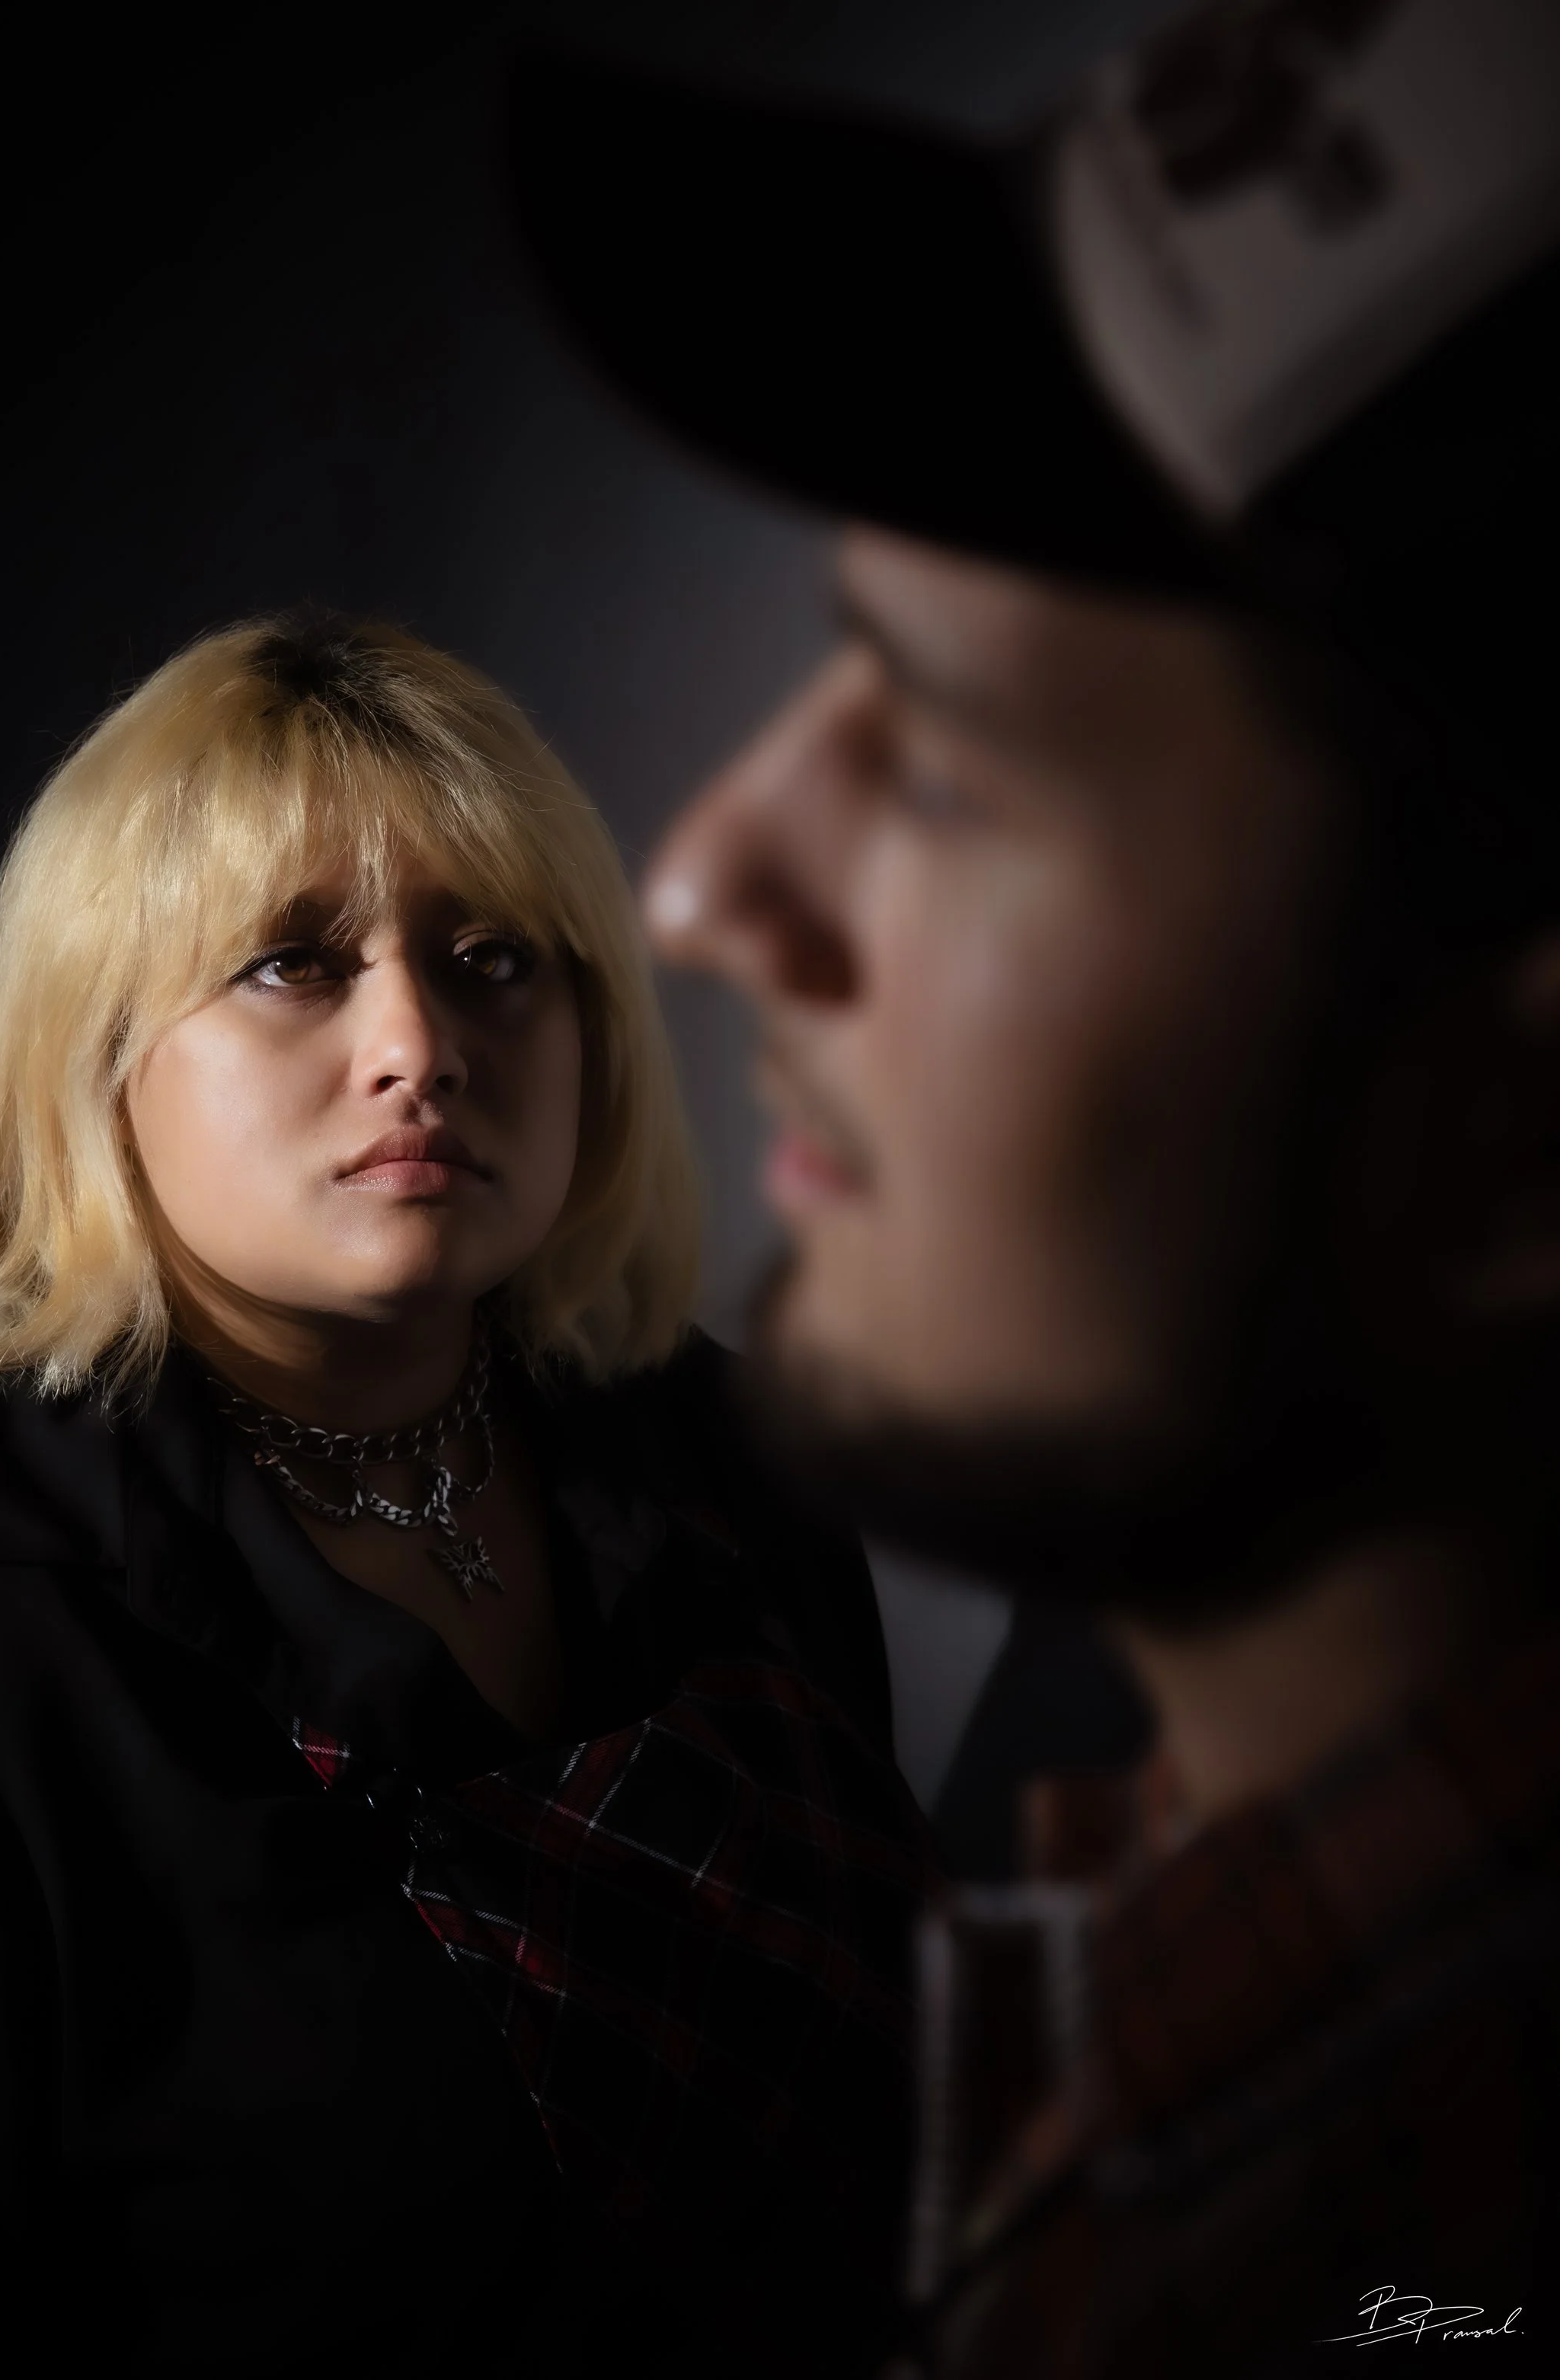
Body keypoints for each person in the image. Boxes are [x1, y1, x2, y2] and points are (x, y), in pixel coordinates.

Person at [510, 0, 1560, 2368]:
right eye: (830, 666)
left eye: (953, 764)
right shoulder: (1136, 1833)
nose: (694, 883)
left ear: (1525, 1137)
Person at [0, 613, 932, 2377]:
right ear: (95, 1060)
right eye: (289, 966)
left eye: (491, 957)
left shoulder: (731, 1451)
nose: (419, 1044)